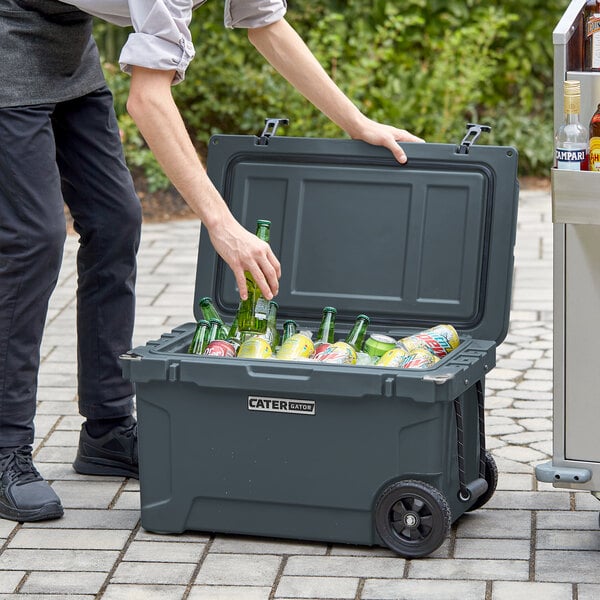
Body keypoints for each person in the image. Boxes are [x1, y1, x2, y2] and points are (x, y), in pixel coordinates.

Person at [0, 0, 424, 523]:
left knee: (115, 223)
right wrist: (222, 224)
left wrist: (356, 122)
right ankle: (5, 449)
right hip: (8, 34)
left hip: (67, 41)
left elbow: (265, 23)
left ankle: (107, 431)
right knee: (33, 240)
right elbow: (148, 101)